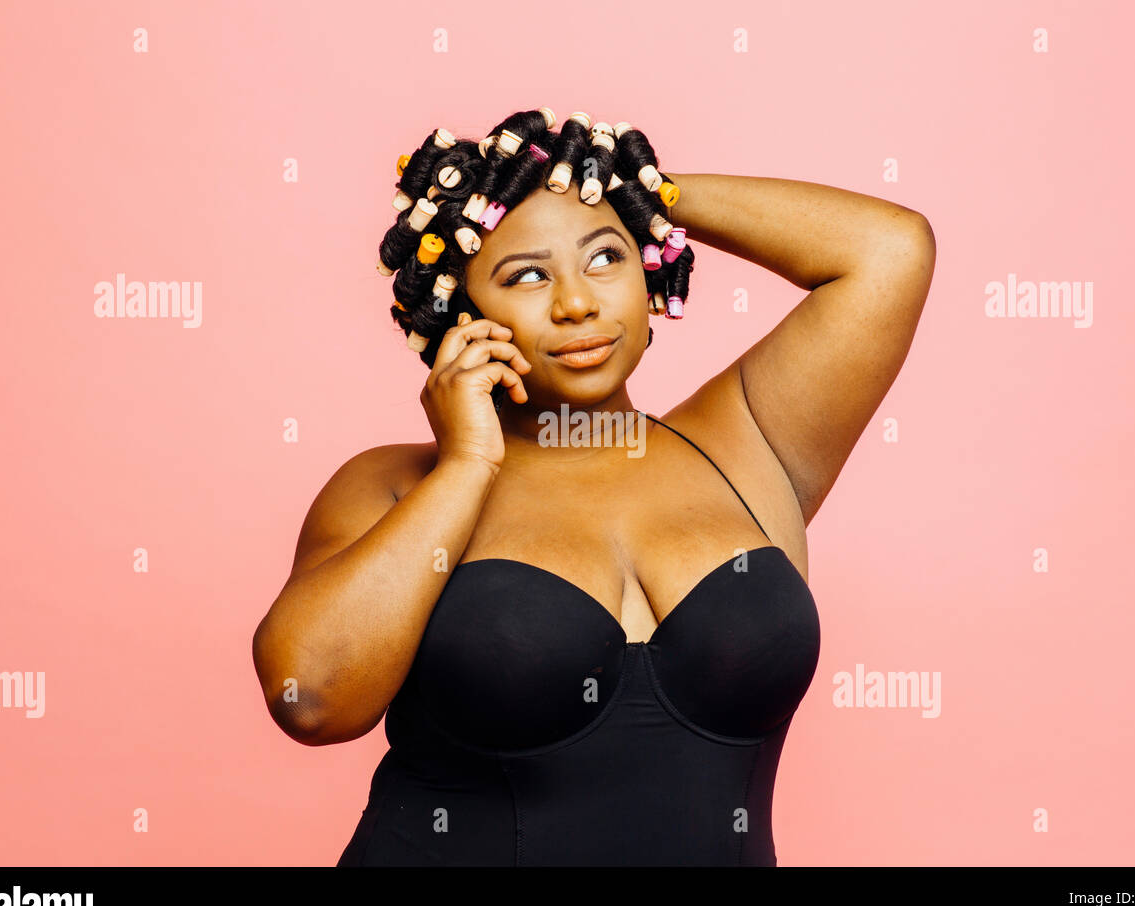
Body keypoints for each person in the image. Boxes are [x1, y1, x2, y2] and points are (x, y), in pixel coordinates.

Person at [251, 108, 936, 865]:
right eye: (528, 275)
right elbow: (309, 699)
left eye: (606, 258)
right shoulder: (392, 486)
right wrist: (467, 465)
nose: (577, 302)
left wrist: (633, 190)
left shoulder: (747, 446)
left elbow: (888, 250)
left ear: (649, 272)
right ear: (461, 313)